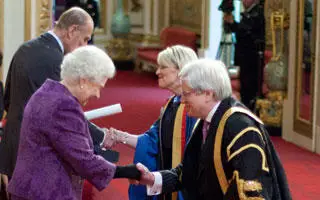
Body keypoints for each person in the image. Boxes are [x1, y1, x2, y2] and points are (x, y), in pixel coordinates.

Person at [134, 58, 292, 199]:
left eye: (186, 94)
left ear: (208, 94)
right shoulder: (207, 120)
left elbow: (251, 191)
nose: (181, 101)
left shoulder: (240, 127)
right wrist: (153, 178)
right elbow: (193, 170)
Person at [7, 46, 141, 200]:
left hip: (30, 189)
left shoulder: (46, 92)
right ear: (83, 81)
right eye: (98, 87)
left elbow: (66, 145)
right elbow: (83, 160)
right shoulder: (64, 105)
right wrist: (126, 171)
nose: (97, 95)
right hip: (45, 193)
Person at [0, 7, 110, 182]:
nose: (85, 46)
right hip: (37, 157)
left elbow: (8, 100)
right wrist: (102, 137)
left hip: (13, 149)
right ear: (72, 30)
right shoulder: (59, 63)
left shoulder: (25, 48)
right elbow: (65, 115)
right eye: (85, 39)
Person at [107, 45, 198, 200]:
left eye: (163, 67)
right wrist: (119, 136)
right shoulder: (172, 103)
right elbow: (151, 141)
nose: (157, 72)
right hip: (168, 184)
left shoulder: (194, 109)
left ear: (180, 70)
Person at [224, 0, 265, 109]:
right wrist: (231, 25)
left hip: (251, 61)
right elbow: (242, 32)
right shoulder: (249, 12)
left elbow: (248, 34)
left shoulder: (258, 13)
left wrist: (233, 24)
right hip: (244, 59)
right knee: (244, 89)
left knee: (248, 90)